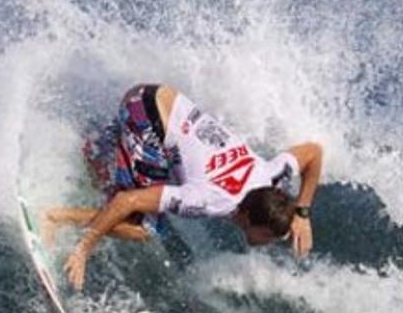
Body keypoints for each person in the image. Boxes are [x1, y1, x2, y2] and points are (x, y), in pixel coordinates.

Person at [46, 83, 323, 291]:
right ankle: (57, 217)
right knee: (144, 227)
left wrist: (302, 212)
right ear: (249, 218)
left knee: (110, 183)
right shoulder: (209, 199)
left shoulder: (268, 175)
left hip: (157, 97)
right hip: (145, 115)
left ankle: (96, 145)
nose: (272, 242)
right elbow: (128, 202)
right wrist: (84, 248)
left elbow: (313, 152)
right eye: (268, 235)